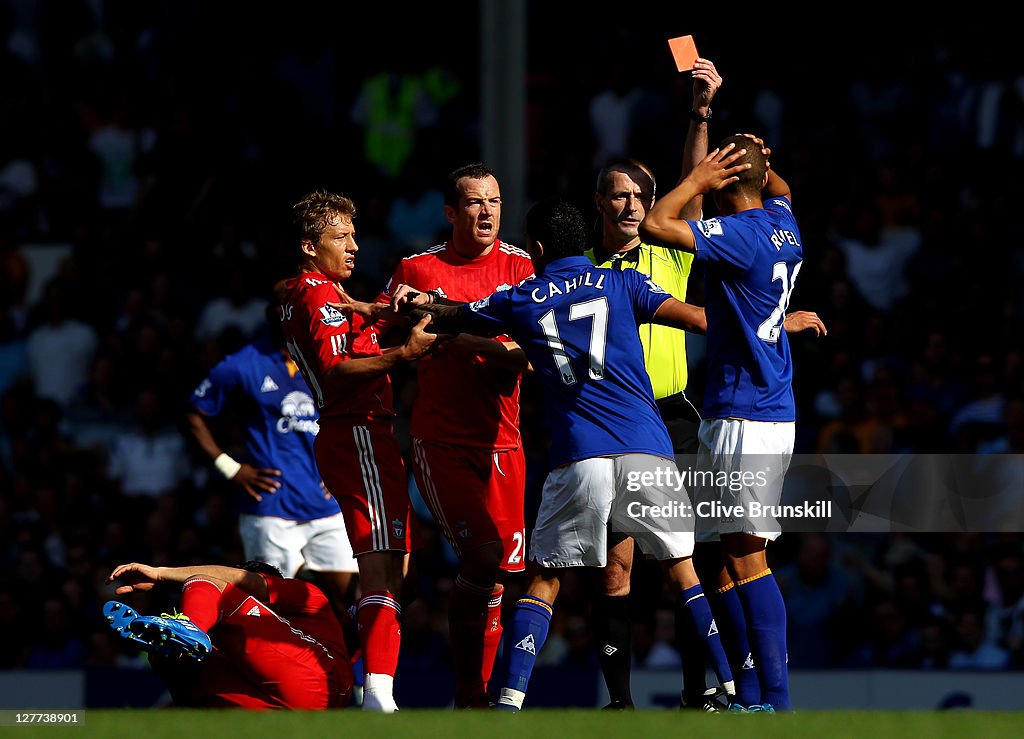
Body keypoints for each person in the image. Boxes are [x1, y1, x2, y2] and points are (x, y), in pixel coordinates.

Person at [383, 199, 737, 712]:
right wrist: (775, 324)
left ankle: (507, 702)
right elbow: (702, 320)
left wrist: (417, 305)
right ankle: (730, 688)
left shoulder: (521, 298)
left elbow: (454, 316)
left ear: (539, 249)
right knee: (682, 570)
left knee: (546, 579)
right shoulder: (622, 282)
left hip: (579, 455)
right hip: (648, 446)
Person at [639, 133, 815, 712]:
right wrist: (755, 165)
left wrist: (696, 179)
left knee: (747, 558)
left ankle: (776, 702)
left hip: (747, 413)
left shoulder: (739, 236)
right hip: (755, 405)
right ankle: (748, 692)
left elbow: (657, 223)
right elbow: (780, 187)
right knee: (724, 557)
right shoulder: (783, 221)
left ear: (725, 181)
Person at [586, 56, 724, 712]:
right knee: (616, 569)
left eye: (642, 196)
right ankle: (619, 703)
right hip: (612, 425)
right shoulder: (579, 268)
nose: (634, 204)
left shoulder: (669, 251)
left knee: (693, 567)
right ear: (601, 204)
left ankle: (697, 696)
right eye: (621, 195)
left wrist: (699, 111)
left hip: (675, 418)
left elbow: (693, 186)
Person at [377, 163, 535, 708]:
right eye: (474, 203)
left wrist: (464, 338)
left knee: (495, 580)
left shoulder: (521, 266)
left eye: (493, 201)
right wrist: (399, 320)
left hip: (506, 443)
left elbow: (531, 354)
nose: (487, 211)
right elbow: (380, 332)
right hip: (441, 440)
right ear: (450, 212)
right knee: (485, 556)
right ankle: (470, 696)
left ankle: (478, 701)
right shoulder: (417, 269)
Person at [277, 190, 437, 712]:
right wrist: (404, 352)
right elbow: (337, 371)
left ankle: (355, 678)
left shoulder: (305, 292)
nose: (353, 246)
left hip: (355, 434)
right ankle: (377, 695)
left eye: (353, 234)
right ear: (308, 246)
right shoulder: (319, 294)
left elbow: (330, 335)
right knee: (382, 567)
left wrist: (370, 317)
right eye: (339, 236)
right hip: (359, 429)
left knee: (396, 562)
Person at [185, 300, 359, 621]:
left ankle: (340, 671)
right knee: (273, 610)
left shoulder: (327, 358)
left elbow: (353, 419)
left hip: (326, 507)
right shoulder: (241, 364)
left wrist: (343, 471)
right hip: (270, 510)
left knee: (349, 605)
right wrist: (230, 467)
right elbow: (195, 414)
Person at [104, 560, 353, 710]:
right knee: (187, 663)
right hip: (283, 707)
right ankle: (172, 648)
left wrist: (160, 574)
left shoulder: (306, 593)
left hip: (319, 680)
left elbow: (234, 582)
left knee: (209, 585)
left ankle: (188, 627)